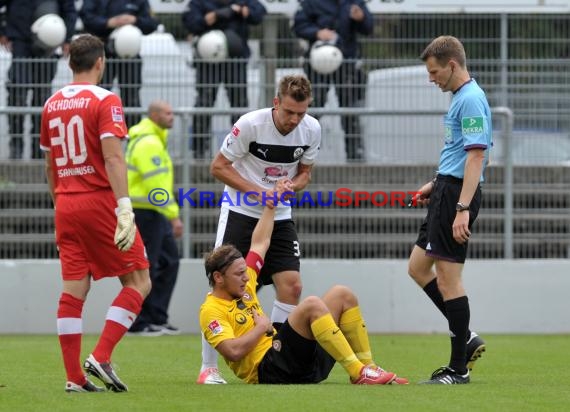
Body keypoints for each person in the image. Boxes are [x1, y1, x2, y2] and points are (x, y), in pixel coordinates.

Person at [40, 34, 151, 393]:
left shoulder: (51, 103)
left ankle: (73, 377)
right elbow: (113, 157)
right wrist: (124, 208)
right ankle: (101, 356)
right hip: (99, 200)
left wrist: (61, 204)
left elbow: (49, 163)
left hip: (65, 202)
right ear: (100, 62)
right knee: (139, 281)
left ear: (70, 61)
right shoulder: (106, 99)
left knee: (73, 289)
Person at [200, 198, 408, 385]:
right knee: (311, 305)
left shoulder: (245, 283)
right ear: (219, 277)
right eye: (239, 274)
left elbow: (260, 242)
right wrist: (260, 328)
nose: (247, 278)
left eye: (245, 272)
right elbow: (232, 352)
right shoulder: (211, 310)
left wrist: (271, 204)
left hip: (288, 358)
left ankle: (368, 367)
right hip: (269, 370)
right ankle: (358, 372)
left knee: (342, 294)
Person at [197, 74, 320, 384]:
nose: (294, 120)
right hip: (240, 209)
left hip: (279, 212)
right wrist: (258, 192)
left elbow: (306, 173)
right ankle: (208, 368)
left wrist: (291, 185)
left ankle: (275, 355)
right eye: (289, 112)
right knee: (223, 287)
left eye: (301, 113)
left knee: (292, 286)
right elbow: (218, 167)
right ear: (276, 103)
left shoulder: (312, 129)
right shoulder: (250, 125)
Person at [408, 35, 491, 384]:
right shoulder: (461, 97)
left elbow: (475, 156)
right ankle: (466, 334)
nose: (431, 78)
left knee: (448, 279)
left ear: (452, 65)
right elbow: (460, 152)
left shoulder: (470, 100)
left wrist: (461, 208)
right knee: (417, 267)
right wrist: (437, 181)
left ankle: (459, 369)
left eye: (434, 71)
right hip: (447, 188)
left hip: (457, 195)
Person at [181, 0, 266, 159]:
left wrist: (243, 11)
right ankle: (199, 150)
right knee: (204, 104)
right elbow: (189, 21)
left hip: (235, 61)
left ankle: (241, 149)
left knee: (239, 106)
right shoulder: (198, 3)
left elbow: (259, 13)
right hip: (208, 62)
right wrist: (213, 16)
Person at [126, 100, 182, 336]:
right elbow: (154, 185)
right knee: (147, 267)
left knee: (169, 262)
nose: (172, 117)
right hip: (147, 213)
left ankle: (157, 317)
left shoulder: (152, 139)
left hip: (153, 212)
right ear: (155, 115)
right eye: (168, 113)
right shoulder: (149, 142)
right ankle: (139, 322)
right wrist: (173, 215)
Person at [293, 0, 372, 162]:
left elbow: (368, 27)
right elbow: (298, 26)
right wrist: (316, 33)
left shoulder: (355, 3)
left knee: (350, 111)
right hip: (317, 63)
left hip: (346, 62)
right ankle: (298, 155)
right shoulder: (311, 3)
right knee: (313, 108)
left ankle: (355, 157)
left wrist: (361, 18)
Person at [0, 0, 77, 159]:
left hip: (48, 43)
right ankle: (16, 148)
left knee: (42, 100)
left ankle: (39, 150)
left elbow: (69, 11)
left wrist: (67, 38)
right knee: (17, 95)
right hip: (21, 41)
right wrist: (2, 31)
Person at [79, 0, 159, 127]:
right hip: (101, 54)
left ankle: (134, 141)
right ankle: (94, 140)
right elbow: (86, 17)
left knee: (132, 100)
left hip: (131, 56)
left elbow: (152, 24)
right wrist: (108, 23)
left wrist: (135, 20)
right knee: (98, 96)